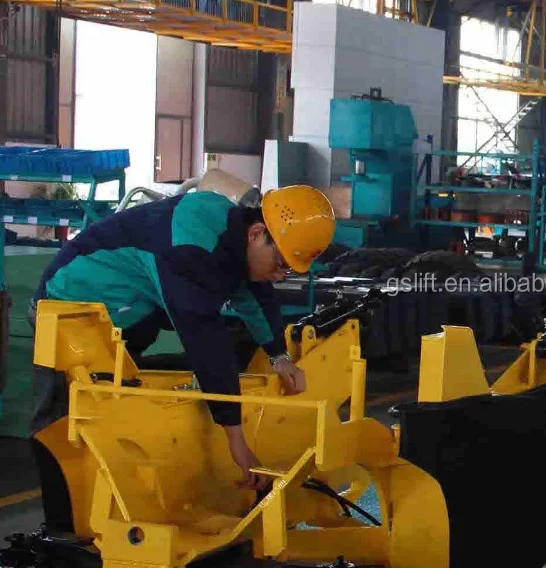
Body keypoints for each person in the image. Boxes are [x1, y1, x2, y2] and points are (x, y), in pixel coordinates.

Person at [28, 184, 336, 530]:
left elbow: (254, 292)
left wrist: (279, 355)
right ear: (256, 233)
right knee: (63, 424)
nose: (280, 275)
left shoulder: (231, 232)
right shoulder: (190, 247)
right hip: (67, 305)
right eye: (280, 263)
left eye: (289, 271)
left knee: (113, 408)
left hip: (126, 312)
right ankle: (62, 534)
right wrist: (236, 439)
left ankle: (114, 514)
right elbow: (204, 338)